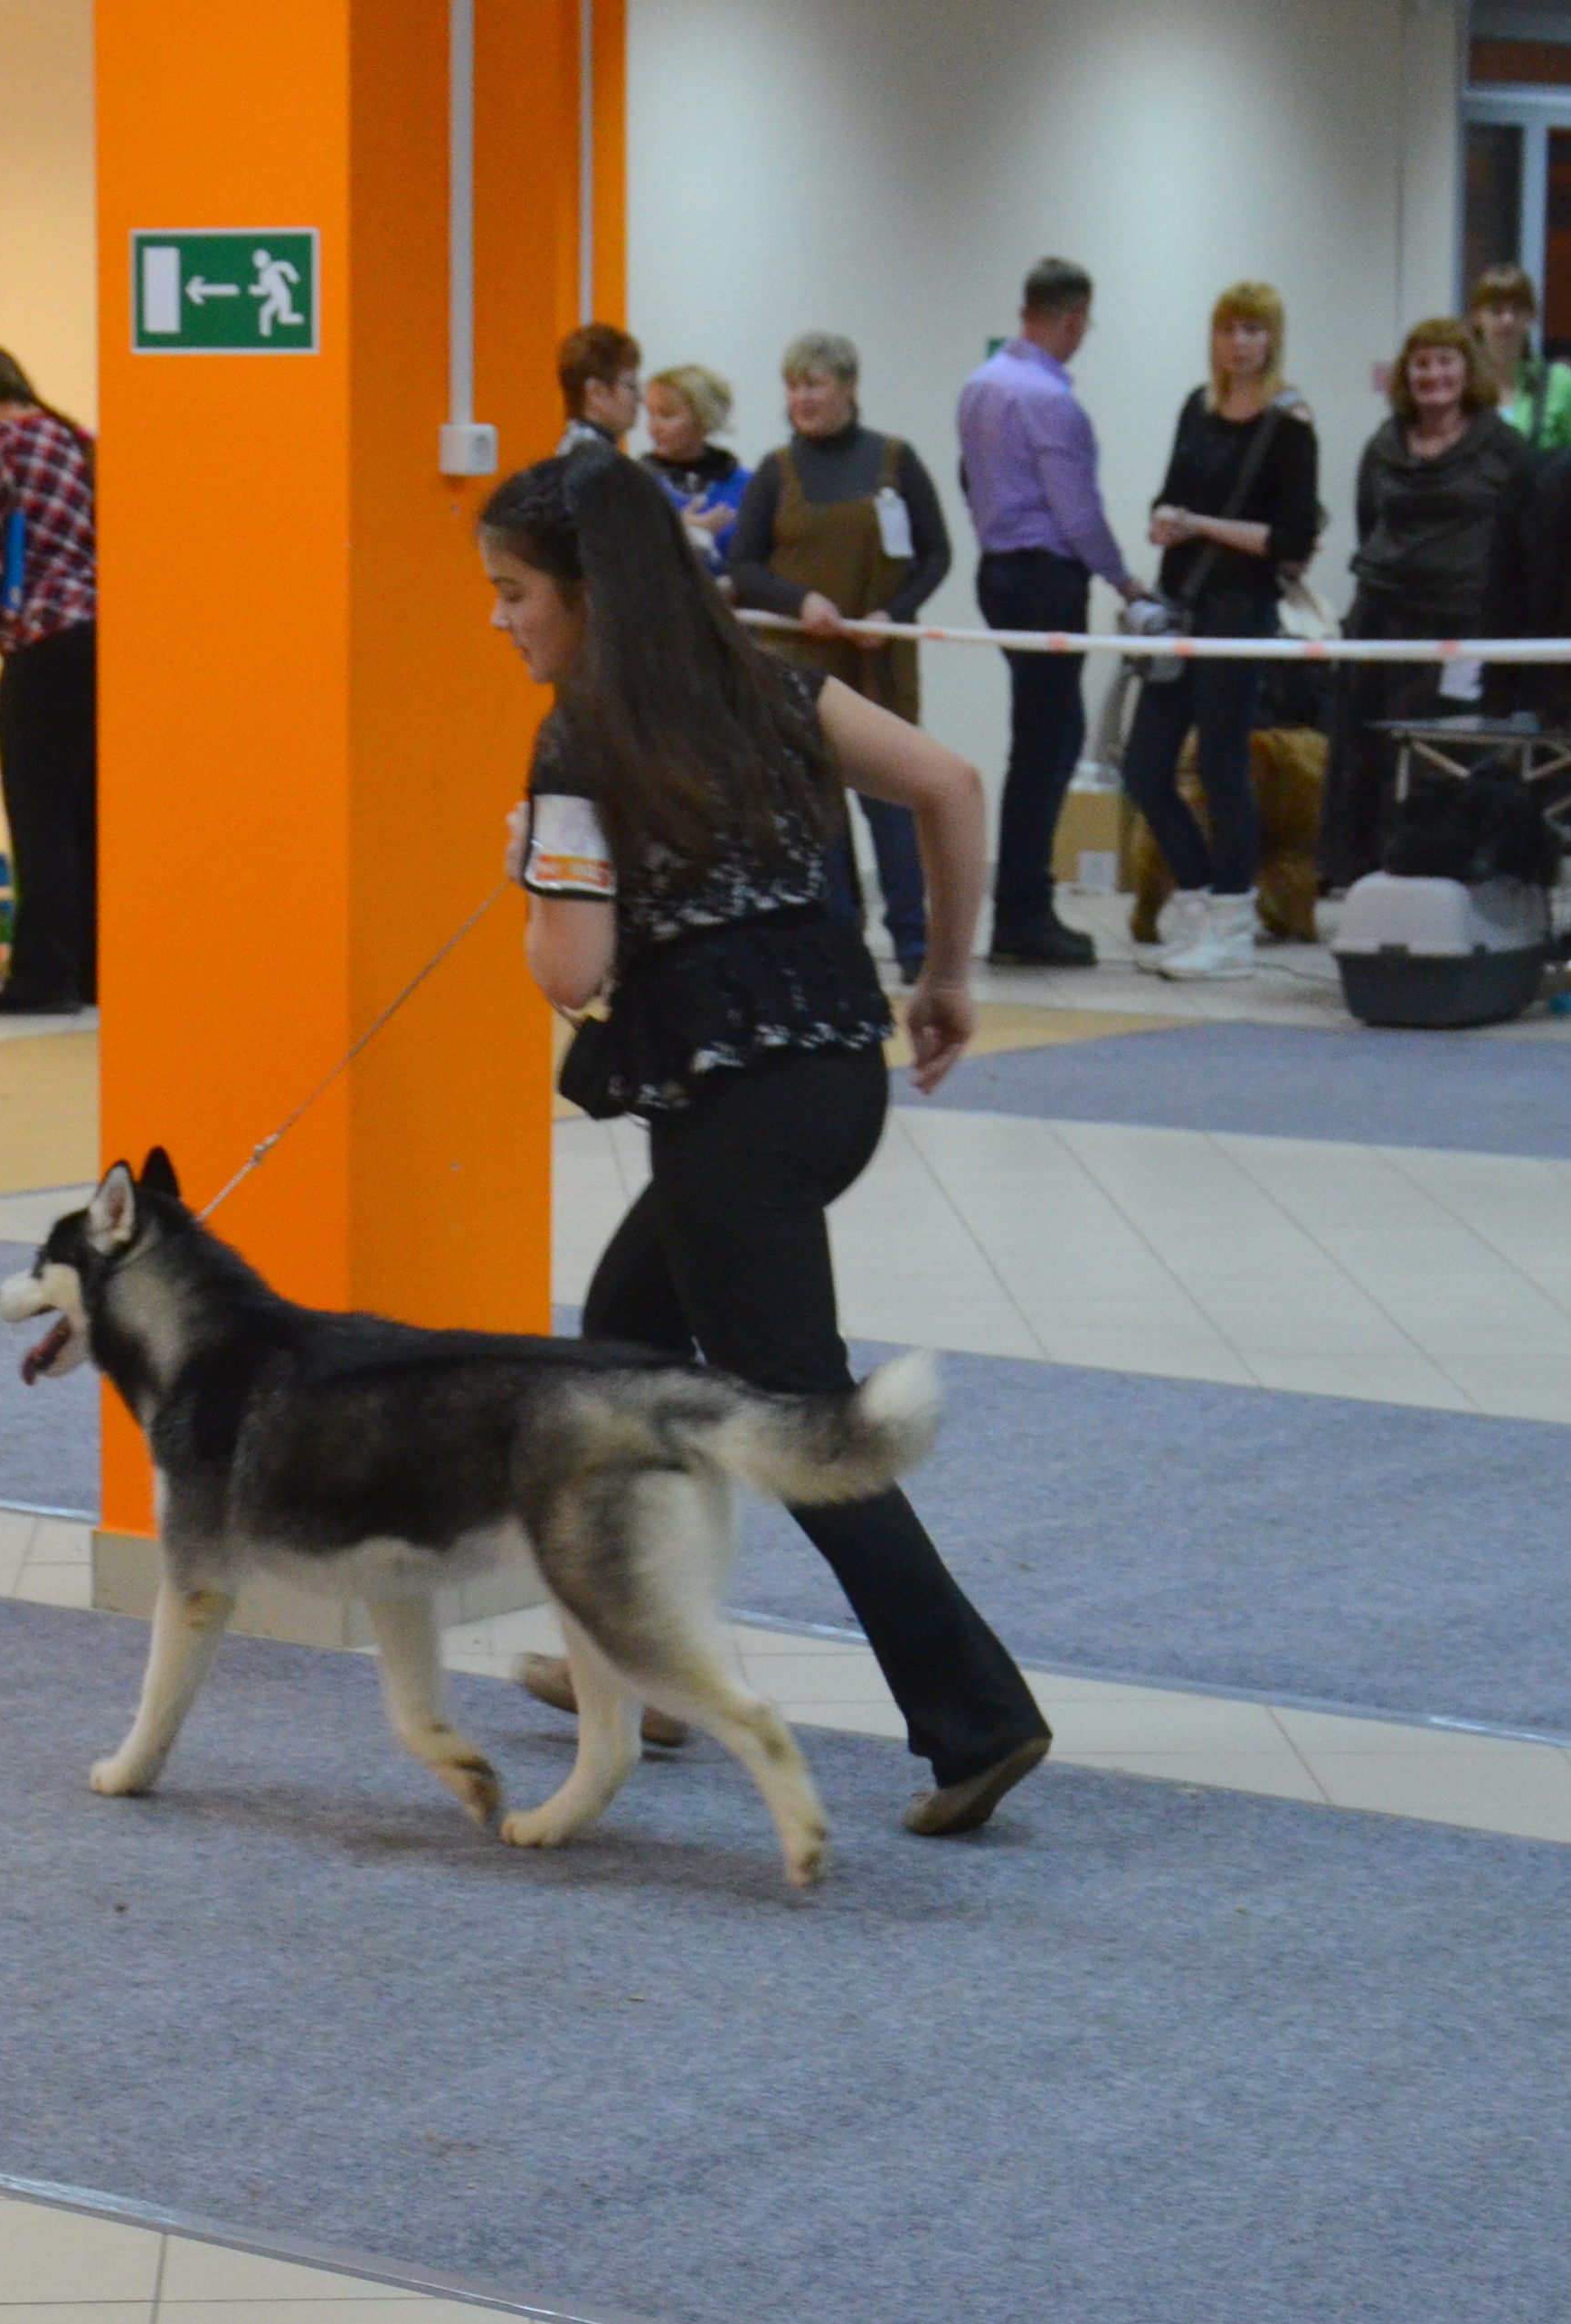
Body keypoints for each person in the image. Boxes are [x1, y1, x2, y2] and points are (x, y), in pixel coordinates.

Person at [485, 445, 1053, 1837]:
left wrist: (530, 870)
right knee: (624, 1350)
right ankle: (641, 1669)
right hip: (832, 1079)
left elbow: (569, 972)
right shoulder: (771, 684)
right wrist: (946, 978)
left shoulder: (577, 737)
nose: (498, 619)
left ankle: (979, 1717)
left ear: (582, 594)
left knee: (792, 1414)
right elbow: (949, 783)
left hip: (733, 1104)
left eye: (512, 591)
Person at [727, 332, 951, 985]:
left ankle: (913, 943)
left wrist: (894, 613)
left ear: (848, 388)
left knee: (893, 804)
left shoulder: (897, 461)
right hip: (798, 667)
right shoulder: (776, 471)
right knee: (817, 809)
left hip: (879, 665)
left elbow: (936, 554)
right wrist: (800, 602)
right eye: (793, 385)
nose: (802, 398)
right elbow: (744, 566)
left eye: (815, 384)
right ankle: (839, 939)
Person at [1117, 283, 1321, 981]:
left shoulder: (1290, 424)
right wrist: (1163, 519)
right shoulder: (1195, 407)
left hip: (1241, 609)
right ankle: (1200, 900)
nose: (1239, 343)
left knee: (1221, 762)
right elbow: (1171, 491)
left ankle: (1233, 923)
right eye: (1229, 329)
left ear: (1272, 340)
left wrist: (1201, 525)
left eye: (1253, 331)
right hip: (1181, 601)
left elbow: (1293, 539)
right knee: (1145, 766)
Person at [957, 257, 1151, 966]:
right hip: (1045, 579)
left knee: (1041, 738)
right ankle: (1023, 912)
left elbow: (969, 479)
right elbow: (1077, 512)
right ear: (1073, 318)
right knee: (1049, 745)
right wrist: (1126, 582)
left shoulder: (980, 386)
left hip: (998, 572)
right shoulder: (1051, 401)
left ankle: (1022, 905)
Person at [1320, 318, 1533, 891]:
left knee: (1440, 757)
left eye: (1445, 362)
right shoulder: (1383, 445)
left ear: (1468, 371)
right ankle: (1362, 880)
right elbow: (1368, 522)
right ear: (1405, 375)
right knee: (1363, 755)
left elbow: (1523, 538)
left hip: (1460, 623)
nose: (1433, 375)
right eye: (1421, 364)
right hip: (1380, 617)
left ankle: (1437, 884)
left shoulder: (1505, 447)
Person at [0, 344, 98, 1015]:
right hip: (103, 637)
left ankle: (43, 978)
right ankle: (94, 969)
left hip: (43, 642)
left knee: (40, 819)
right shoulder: (76, 438)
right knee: (86, 815)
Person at [1471, 263, 1571, 454]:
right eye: (1496, 310)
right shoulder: (1460, 383)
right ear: (1477, 317)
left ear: (1531, 317)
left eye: (1517, 310)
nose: (1508, 320)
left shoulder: (1561, 382)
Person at [639, 364, 749, 576]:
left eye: (666, 415)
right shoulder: (636, 484)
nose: (654, 427)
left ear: (702, 418)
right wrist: (678, 532)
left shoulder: (745, 485)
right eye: (651, 415)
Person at [555, 323, 640, 455]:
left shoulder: (574, 448)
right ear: (596, 393)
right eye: (631, 386)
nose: (640, 398)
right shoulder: (593, 460)